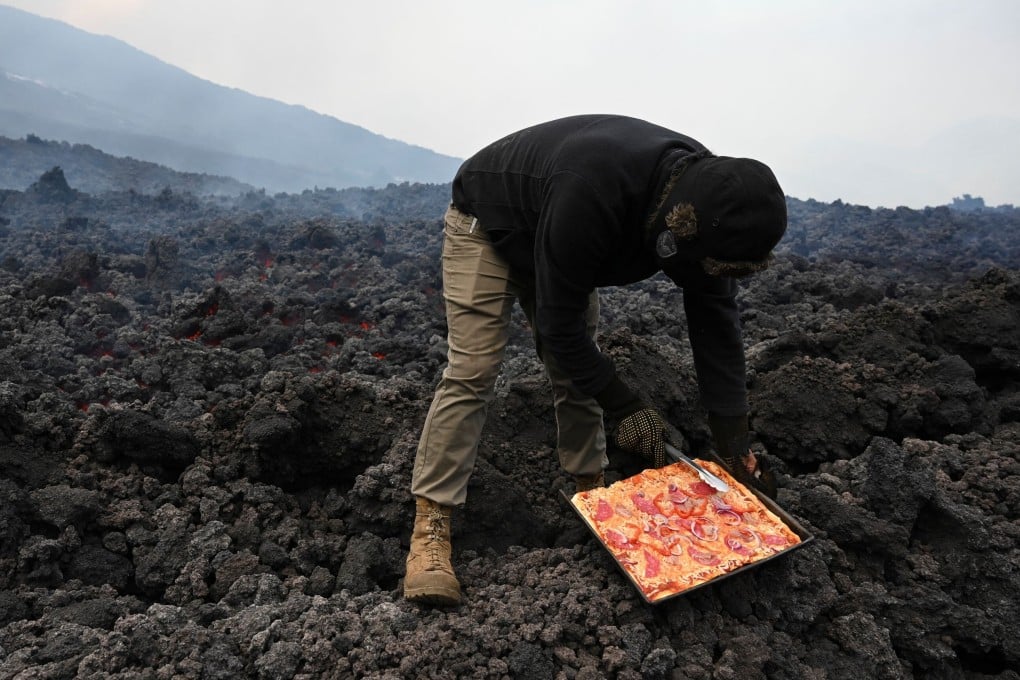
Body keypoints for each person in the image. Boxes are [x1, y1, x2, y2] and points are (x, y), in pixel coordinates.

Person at [403, 114, 787, 605]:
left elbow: (717, 328)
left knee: (575, 376)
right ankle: (431, 527)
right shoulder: (595, 192)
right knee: (474, 370)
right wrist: (628, 409)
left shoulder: (716, 206)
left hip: (561, 234)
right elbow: (560, 330)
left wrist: (734, 447)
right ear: (676, 225)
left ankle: (592, 496)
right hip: (492, 227)